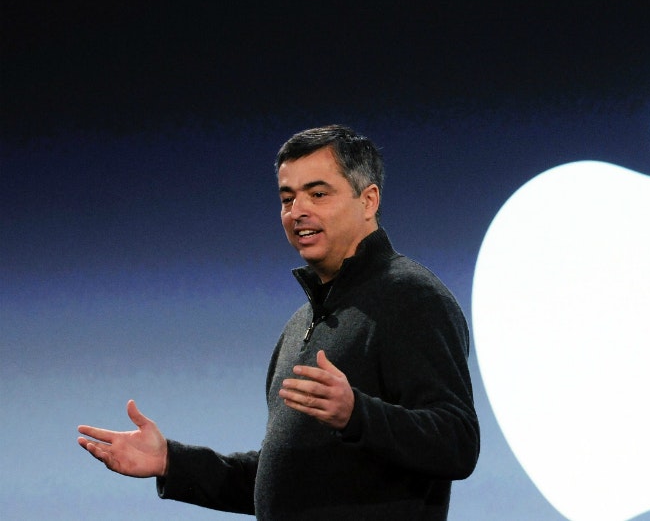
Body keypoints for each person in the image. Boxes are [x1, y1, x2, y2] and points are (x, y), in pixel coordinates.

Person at [77, 125, 480, 520]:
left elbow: (457, 442)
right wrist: (172, 462)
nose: (297, 211)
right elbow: (285, 483)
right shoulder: (301, 324)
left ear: (368, 200)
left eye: (318, 194)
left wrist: (357, 414)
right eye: (288, 198)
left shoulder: (411, 297)